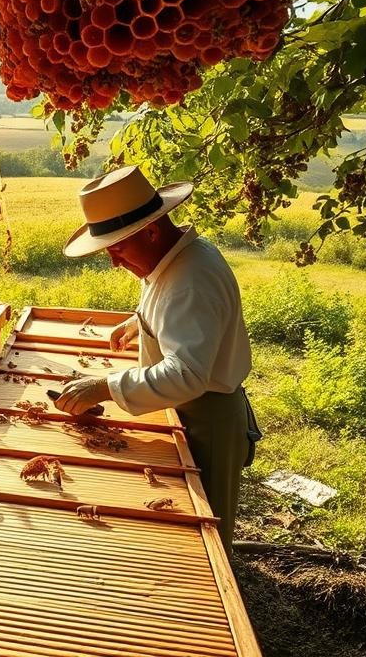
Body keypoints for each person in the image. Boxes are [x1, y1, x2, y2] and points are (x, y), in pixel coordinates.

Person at [54, 165, 260, 553]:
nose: (114, 262)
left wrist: (105, 386)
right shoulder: (178, 257)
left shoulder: (190, 282)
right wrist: (141, 322)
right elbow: (178, 314)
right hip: (189, 409)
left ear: (150, 231)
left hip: (207, 419)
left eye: (117, 248)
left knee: (205, 535)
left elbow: (186, 374)